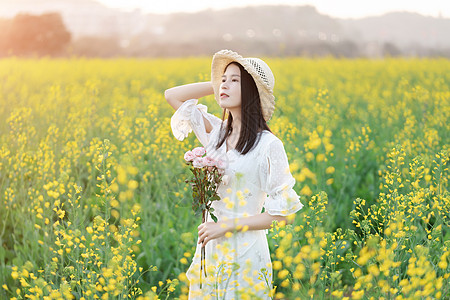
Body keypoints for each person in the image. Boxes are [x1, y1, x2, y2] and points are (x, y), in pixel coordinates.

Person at [165, 49, 303, 299]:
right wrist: (218, 83)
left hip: (246, 253)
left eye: (234, 80)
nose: (224, 84)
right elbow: (172, 95)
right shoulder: (216, 134)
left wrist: (226, 227)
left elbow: (283, 215)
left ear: (252, 91)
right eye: (223, 79)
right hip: (211, 249)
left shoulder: (269, 146)